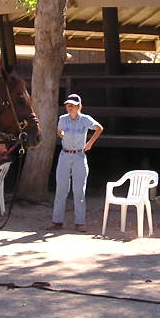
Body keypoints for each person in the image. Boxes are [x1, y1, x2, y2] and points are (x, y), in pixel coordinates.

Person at [48, 93, 104, 232]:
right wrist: (63, 136)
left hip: (79, 155)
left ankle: (80, 222)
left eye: (72, 105)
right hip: (65, 155)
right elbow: (59, 131)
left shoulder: (85, 119)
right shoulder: (63, 119)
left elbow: (99, 128)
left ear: (79, 106)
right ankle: (57, 221)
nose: (69, 107)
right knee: (61, 190)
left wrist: (90, 143)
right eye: (68, 105)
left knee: (79, 191)